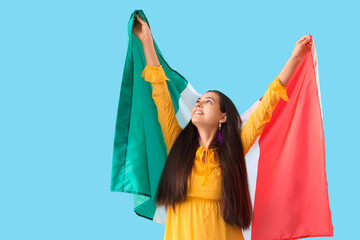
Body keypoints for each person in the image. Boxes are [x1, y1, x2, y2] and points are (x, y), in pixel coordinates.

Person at [132, 13, 312, 240]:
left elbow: (267, 106)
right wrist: (147, 40)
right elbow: (161, 95)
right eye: (199, 101)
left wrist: (295, 59)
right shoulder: (177, 145)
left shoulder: (232, 152)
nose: (199, 103)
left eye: (208, 101)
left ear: (223, 117)